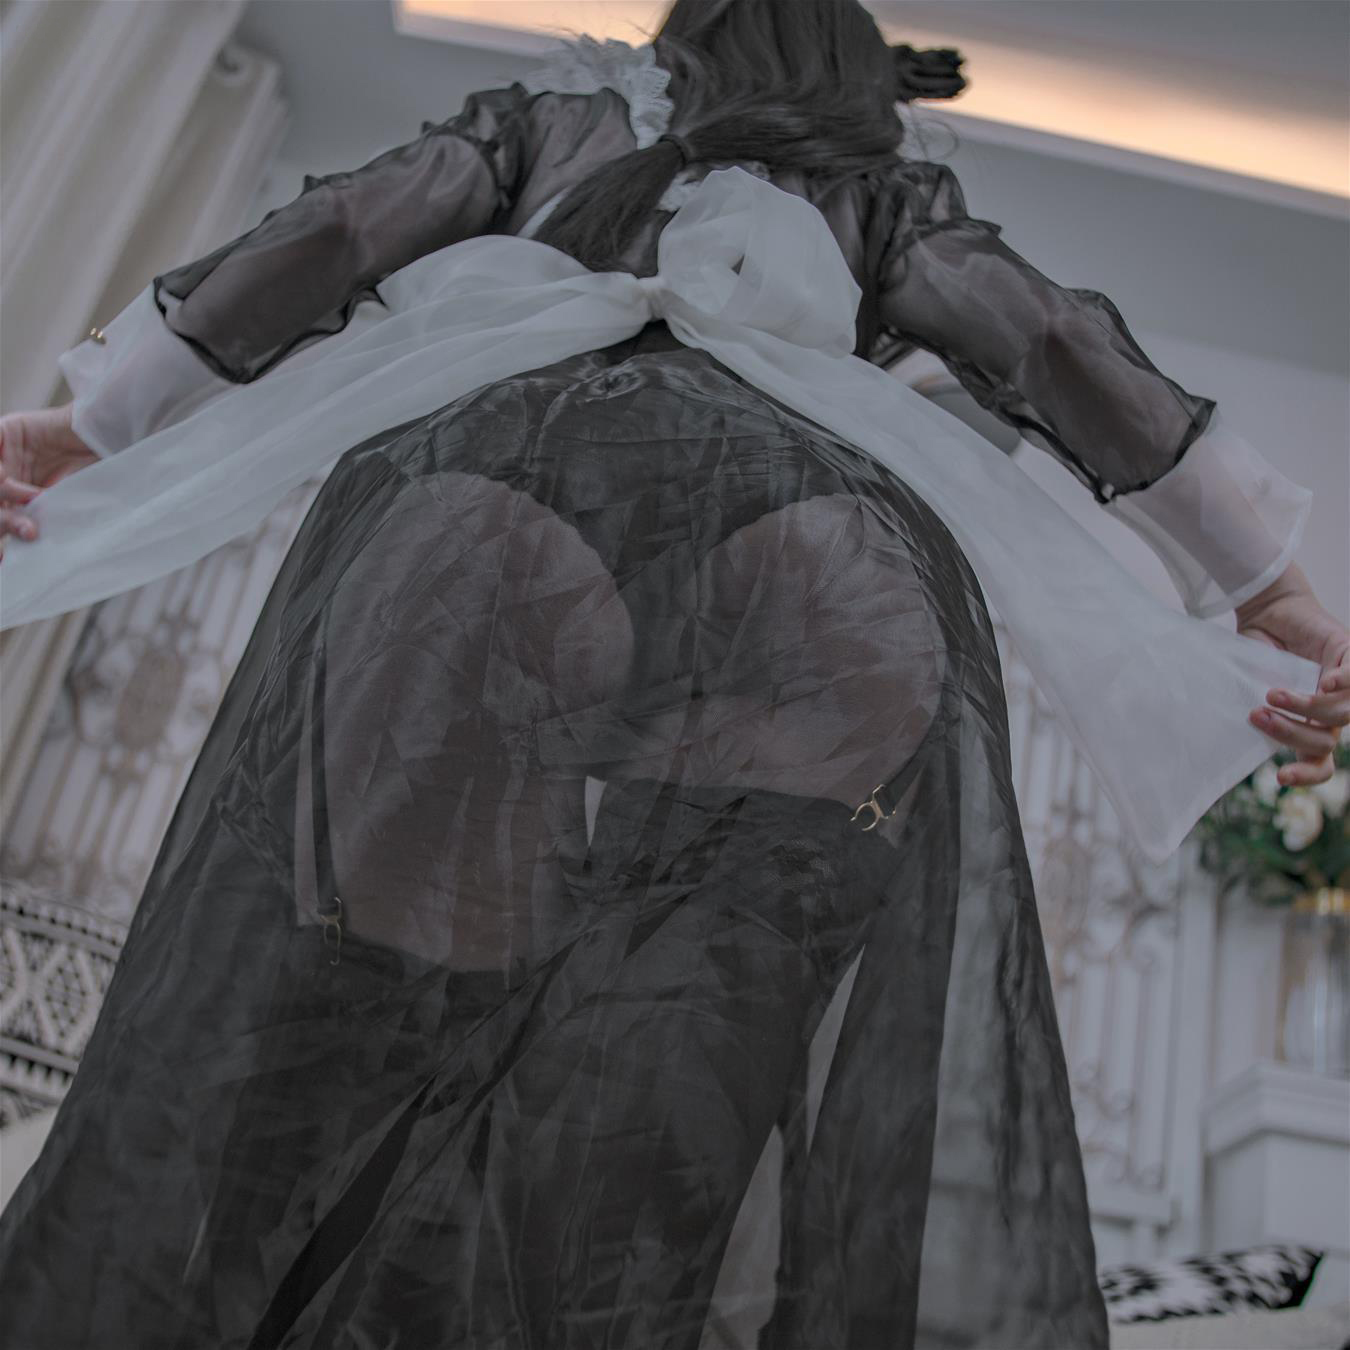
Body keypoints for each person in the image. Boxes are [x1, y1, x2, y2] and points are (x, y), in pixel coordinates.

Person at [0, 2, 1345, 1346]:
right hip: (815, 550)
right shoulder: (879, 192)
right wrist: (1268, 582)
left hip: (512, 501)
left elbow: (339, 231)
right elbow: (1050, 341)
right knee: (672, 1066)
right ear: (864, 91)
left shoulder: (556, 121)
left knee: (362, 999)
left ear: (676, 41)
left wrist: (93, 423)